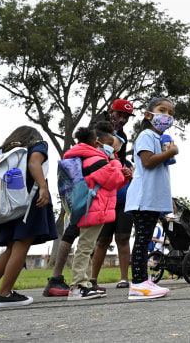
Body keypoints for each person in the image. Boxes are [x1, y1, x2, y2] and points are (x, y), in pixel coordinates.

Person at [0, 127, 57, 308]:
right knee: (21, 245)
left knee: (10, 248)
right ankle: (4, 294)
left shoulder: (9, 152)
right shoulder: (38, 145)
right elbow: (35, 163)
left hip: (9, 202)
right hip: (30, 200)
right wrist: (43, 187)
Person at [66, 122, 127, 301]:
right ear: (97, 143)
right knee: (85, 247)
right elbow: (112, 179)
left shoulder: (89, 158)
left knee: (88, 246)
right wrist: (116, 163)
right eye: (109, 143)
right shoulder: (96, 160)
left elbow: (112, 183)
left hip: (92, 207)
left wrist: (122, 174)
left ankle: (85, 284)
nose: (111, 147)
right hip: (93, 208)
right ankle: (77, 286)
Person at [125, 97, 179, 300]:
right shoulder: (146, 135)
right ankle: (138, 283)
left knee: (145, 238)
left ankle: (143, 280)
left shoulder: (159, 139)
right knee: (142, 240)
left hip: (152, 198)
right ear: (148, 115)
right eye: (162, 110)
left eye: (171, 113)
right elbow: (147, 162)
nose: (167, 116)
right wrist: (171, 152)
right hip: (143, 197)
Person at [88, 98, 135, 291]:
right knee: (102, 239)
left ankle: (124, 278)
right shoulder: (96, 125)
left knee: (123, 236)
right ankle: (92, 279)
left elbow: (121, 161)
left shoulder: (122, 134)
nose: (122, 119)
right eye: (119, 115)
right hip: (102, 190)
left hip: (121, 192)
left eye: (126, 117)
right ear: (110, 112)